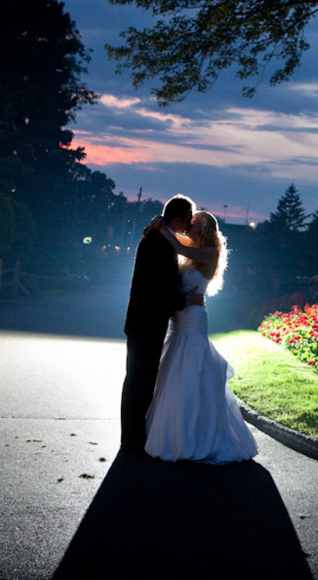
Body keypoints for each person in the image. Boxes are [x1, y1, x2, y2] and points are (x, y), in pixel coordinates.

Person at [143, 210, 258, 464]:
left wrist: (162, 228)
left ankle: (195, 437)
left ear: (206, 229)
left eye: (195, 221)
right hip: (178, 319)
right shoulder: (189, 245)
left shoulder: (209, 253)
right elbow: (173, 237)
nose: (190, 222)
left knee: (192, 373)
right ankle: (173, 433)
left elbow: (175, 245)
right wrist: (157, 222)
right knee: (174, 371)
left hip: (194, 320)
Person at [121, 195, 202, 450]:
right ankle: (132, 437)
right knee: (139, 379)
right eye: (187, 220)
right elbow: (155, 288)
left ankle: (133, 434)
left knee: (140, 378)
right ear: (176, 219)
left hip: (145, 322)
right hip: (147, 322)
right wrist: (182, 299)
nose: (188, 225)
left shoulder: (159, 236)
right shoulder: (157, 242)